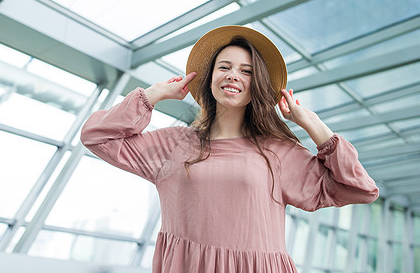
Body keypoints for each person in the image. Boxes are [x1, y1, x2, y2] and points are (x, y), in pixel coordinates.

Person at [80, 26, 379, 272]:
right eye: (224, 67)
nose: (233, 75)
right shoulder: (174, 144)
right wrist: (152, 95)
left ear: (256, 85)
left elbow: (360, 188)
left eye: (246, 71)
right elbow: (96, 136)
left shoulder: (277, 152)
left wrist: (312, 124)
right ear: (210, 79)